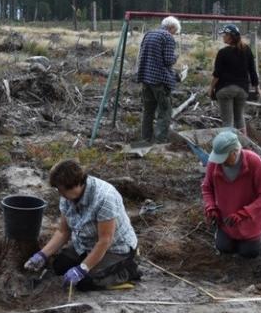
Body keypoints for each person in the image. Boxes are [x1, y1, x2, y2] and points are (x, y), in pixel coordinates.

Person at [23, 160, 141, 290]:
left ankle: (127, 270)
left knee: (84, 282)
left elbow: (105, 241)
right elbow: (63, 232)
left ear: (77, 185)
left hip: (115, 249)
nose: (60, 194)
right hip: (86, 244)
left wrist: (82, 268)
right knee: (59, 266)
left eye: (61, 190)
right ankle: (90, 264)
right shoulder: (67, 195)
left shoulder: (105, 198)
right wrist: (42, 255)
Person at [201, 130, 261, 259]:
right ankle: (226, 236)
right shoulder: (214, 163)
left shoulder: (254, 162)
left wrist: (244, 213)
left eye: (224, 157)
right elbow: (207, 188)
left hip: (251, 220)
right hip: (227, 221)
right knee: (224, 248)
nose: (220, 162)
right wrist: (211, 207)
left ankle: (255, 238)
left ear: (235, 152)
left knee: (248, 252)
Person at [136, 15, 181, 144]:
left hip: (146, 78)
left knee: (148, 111)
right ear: (171, 27)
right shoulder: (167, 37)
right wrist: (175, 57)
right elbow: (168, 61)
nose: (174, 34)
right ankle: (159, 142)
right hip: (160, 80)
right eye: (175, 31)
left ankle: (145, 139)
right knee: (165, 112)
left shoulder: (149, 34)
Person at [209, 23, 259, 134]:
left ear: (230, 36)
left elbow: (217, 74)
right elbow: (252, 71)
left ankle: (229, 147)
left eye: (224, 35)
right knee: (239, 118)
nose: (223, 37)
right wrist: (256, 89)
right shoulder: (247, 50)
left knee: (227, 122)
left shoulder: (223, 53)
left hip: (225, 89)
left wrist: (211, 88)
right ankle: (243, 143)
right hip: (242, 90)